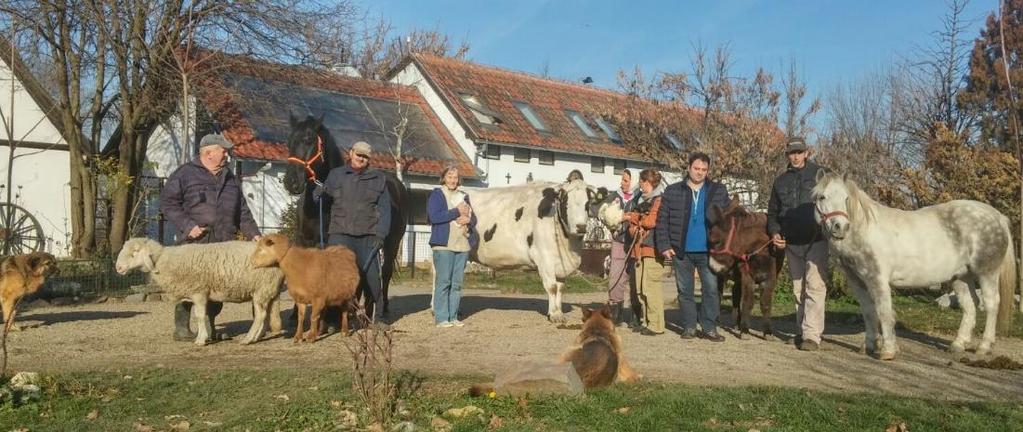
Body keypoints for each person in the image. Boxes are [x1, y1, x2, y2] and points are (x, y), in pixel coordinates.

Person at [160, 133, 261, 341]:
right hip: (194, 243)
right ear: (208, 152)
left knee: (217, 288)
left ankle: (209, 327)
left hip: (222, 242)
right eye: (222, 150)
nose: (226, 154)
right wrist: (188, 226)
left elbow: (242, 211)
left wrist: (254, 235)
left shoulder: (230, 178)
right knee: (188, 286)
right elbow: (168, 204)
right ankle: (182, 329)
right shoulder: (184, 174)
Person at [655, 152, 729, 342]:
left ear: (708, 170)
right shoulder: (672, 191)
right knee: (685, 291)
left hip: (709, 250)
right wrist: (664, 245)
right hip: (681, 250)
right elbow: (662, 220)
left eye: (704, 170)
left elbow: (728, 220)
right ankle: (689, 327)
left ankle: (709, 327)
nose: (700, 173)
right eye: (696, 168)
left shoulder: (718, 190)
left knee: (711, 290)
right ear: (688, 168)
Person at [317, 140, 391, 327]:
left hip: (367, 236)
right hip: (340, 233)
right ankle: (329, 319)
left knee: (373, 278)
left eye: (365, 157)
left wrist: (381, 234)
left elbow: (385, 209)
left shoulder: (378, 178)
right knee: (334, 278)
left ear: (369, 160)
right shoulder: (336, 175)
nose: (361, 159)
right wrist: (317, 195)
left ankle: (379, 316)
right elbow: (324, 203)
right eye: (358, 154)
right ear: (351, 153)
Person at [767, 137, 829, 351]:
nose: (795, 156)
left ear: (806, 153)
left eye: (799, 152)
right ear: (787, 155)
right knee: (797, 289)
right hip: (791, 242)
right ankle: (802, 331)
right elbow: (773, 213)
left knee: (815, 286)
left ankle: (812, 336)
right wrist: (775, 233)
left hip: (817, 239)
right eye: (791, 153)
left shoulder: (821, 175)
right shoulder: (780, 181)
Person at [427, 166, 478, 328]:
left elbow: (474, 218)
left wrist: (469, 221)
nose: (453, 180)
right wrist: (456, 212)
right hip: (443, 245)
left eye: (455, 177)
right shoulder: (437, 195)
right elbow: (434, 217)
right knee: (444, 282)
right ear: (443, 178)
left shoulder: (464, 197)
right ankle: (442, 318)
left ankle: (453, 316)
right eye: (449, 176)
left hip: (462, 245)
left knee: (457, 284)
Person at [622, 169, 667, 335]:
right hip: (638, 249)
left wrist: (631, 218)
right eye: (641, 183)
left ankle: (656, 325)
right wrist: (635, 228)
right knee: (640, 288)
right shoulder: (639, 200)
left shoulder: (659, 200)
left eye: (644, 183)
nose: (641, 186)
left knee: (651, 288)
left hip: (652, 249)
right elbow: (634, 228)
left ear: (650, 183)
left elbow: (651, 221)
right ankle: (646, 321)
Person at [606, 169, 636, 326]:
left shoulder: (639, 198)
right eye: (622, 180)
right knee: (616, 275)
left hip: (636, 242)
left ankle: (635, 315)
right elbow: (604, 214)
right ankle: (616, 314)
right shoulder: (614, 197)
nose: (622, 183)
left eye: (626, 180)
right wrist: (613, 221)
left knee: (634, 278)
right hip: (619, 240)